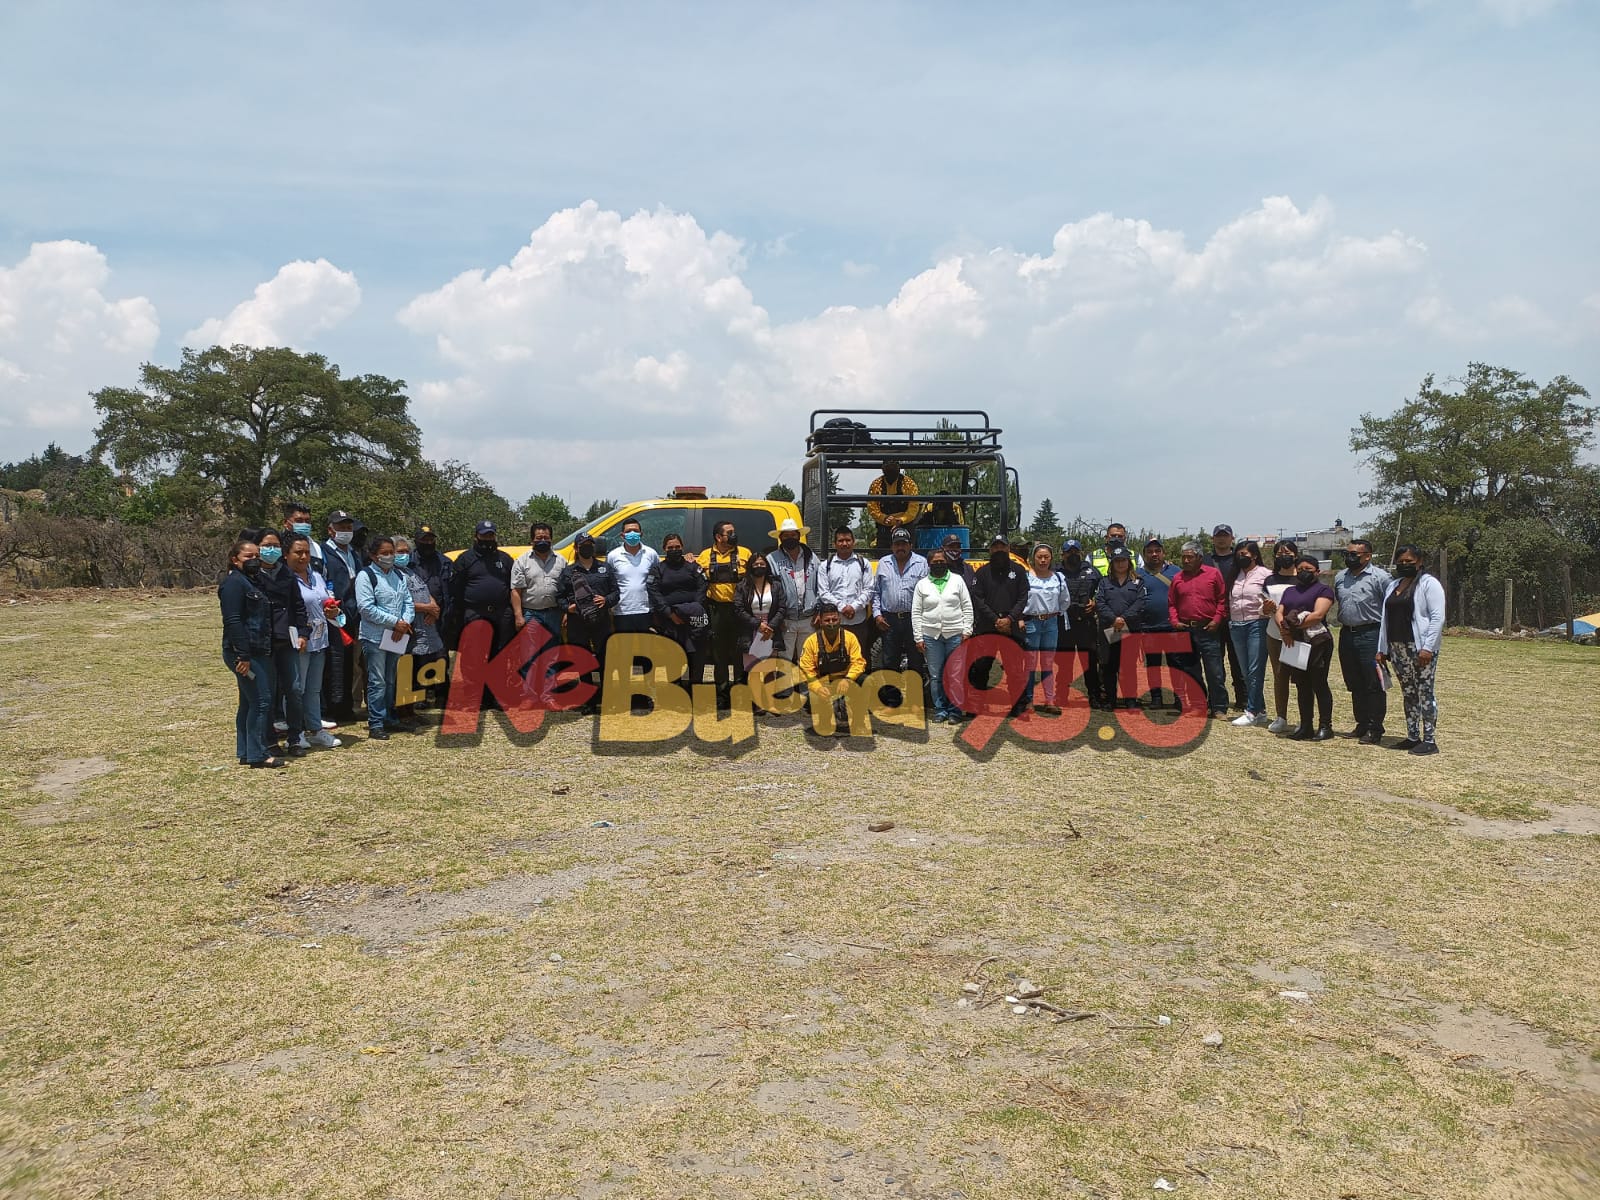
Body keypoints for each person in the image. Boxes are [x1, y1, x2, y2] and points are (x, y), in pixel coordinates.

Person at [218, 539, 282, 768]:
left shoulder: (252, 581)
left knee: (248, 702)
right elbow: (234, 620)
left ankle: (246, 751)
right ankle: (258, 753)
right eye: (248, 557)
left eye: (257, 555)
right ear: (235, 560)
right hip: (245, 653)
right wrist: (242, 655)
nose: (254, 560)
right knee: (261, 701)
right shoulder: (233, 584)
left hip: (258, 649)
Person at [1376, 545, 1446, 755]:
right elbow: (1384, 620)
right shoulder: (1393, 585)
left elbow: (1437, 617)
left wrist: (1428, 647)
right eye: (1401, 561)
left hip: (1419, 648)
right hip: (1397, 647)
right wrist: (1382, 648)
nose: (1405, 565)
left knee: (1425, 691)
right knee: (1408, 693)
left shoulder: (1428, 584)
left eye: (1410, 561)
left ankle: (1430, 739)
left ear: (1419, 562)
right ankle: (1412, 736)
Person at [252, 529, 309, 758]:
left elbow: (298, 606)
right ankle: (270, 740)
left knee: (294, 690)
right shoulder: (252, 575)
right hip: (264, 643)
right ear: (257, 548)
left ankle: (295, 738)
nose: (272, 550)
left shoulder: (286, 574)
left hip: (288, 641)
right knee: (267, 694)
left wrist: (303, 632)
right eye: (267, 545)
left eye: (276, 545)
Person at [447, 520, 516, 711]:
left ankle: (495, 696)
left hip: (502, 614)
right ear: (476, 536)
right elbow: (455, 588)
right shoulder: (465, 559)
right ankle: (472, 698)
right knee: (472, 657)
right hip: (474, 613)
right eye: (484, 535)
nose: (488, 539)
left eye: (491, 535)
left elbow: (514, 587)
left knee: (499, 656)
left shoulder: (505, 559)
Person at [356, 535, 417, 740]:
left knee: (391, 679)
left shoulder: (398, 576)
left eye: (392, 552)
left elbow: (408, 601)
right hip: (374, 637)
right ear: (373, 555)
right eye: (385, 553)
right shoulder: (366, 576)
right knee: (377, 680)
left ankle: (390, 717)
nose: (390, 556)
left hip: (396, 635)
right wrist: (395, 621)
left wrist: (404, 623)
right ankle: (376, 722)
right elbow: (366, 608)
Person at [284, 532, 341, 750]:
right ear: (286, 554)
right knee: (296, 689)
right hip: (299, 641)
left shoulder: (316, 575)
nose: (303, 557)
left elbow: (324, 598)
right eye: (298, 552)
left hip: (320, 639)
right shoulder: (285, 578)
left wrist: (332, 608)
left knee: (314, 689)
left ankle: (316, 729)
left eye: (306, 552)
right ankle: (296, 732)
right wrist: (300, 634)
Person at [1333, 537, 1392, 744]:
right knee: (1354, 682)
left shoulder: (1381, 578)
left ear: (1367, 556)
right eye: (1346, 554)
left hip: (1371, 633)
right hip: (1347, 634)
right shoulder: (1341, 577)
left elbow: (1390, 608)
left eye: (1354, 554)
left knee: (1373, 683)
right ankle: (1362, 724)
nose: (1348, 558)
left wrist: (1387, 642)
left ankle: (1375, 729)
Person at [1276, 554, 1336, 741]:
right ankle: (1306, 726)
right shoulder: (1290, 591)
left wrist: (1291, 627)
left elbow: (1318, 615)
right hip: (1295, 642)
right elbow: (1280, 612)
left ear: (1317, 572)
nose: (1303, 572)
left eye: (1308, 569)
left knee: (1319, 683)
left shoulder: (1323, 590)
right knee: (1302, 684)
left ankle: (1325, 726)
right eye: (1300, 569)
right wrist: (1284, 630)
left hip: (1317, 642)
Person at [970, 534, 1030, 716]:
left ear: (1008, 549)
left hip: (1011, 628)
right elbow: (978, 599)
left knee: (1014, 670)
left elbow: (1023, 597)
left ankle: (1018, 707)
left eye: (1002, 547)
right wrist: (995, 620)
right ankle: (975, 706)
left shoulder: (1019, 571)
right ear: (990, 550)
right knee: (980, 668)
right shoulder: (981, 572)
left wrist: (1009, 619)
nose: (999, 550)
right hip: (987, 627)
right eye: (995, 547)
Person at [912, 549, 974, 723]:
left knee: (954, 675)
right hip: (931, 636)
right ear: (929, 564)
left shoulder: (957, 580)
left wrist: (967, 630)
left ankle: (955, 711)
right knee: (936, 675)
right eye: (934, 562)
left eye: (941, 561)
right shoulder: (922, 585)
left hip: (955, 634)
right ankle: (940, 710)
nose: (938, 564)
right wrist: (918, 637)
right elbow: (916, 612)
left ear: (946, 562)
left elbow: (967, 607)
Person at [1168, 542, 1229, 717]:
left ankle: (1219, 707)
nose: (1186, 560)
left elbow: (1222, 600)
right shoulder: (1178, 578)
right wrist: (1175, 621)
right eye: (1184, 557)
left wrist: (1217, 620)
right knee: (1191, 670)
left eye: (1190, 557)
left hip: (1209, 628)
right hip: (1185, 628)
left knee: (1214, 671)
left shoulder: (1213, 574)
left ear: (1199, 558)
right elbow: (1172, 603)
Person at [697, 520, 752, 711]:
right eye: (730, 532)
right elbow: (696, 578)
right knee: (718, 654)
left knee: (739, 652)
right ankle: (721, 694)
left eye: (734, 531)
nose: (734, 535)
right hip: (716, 610)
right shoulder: (704, 556)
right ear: (718, 537)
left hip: (739, 610)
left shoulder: (745, 553)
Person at [561, 534, 617, 714]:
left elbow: (616, 592)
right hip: (577, 621)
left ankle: (607, 698)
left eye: (589, 545)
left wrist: (607, 600)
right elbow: (559, 596)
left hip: (601, 621)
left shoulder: (605, 568)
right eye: (583, 545)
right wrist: (566, 608)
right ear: (576, 548)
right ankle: (588, 702)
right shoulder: (568, 571)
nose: (587, 548)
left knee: (604, 659)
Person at [391, 534, 443, 722]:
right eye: (400, 552)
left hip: (424, 630)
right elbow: (397, 602)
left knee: (416, 670)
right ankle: (402, 712)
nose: (404, 555)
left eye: (407, 551)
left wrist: (433, 607)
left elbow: (424, 591)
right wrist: (426, 608)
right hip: (404, 630)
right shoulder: (391, 574)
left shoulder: (410, 571)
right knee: (403, 672)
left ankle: (412, 710)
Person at [797, 600, 868, 735]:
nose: (831, 623)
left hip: (845, 680)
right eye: (827, 620)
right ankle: (825, 721)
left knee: (866, 681)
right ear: (820, 621)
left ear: (839, 619)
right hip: (823, 682)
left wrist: (848, 679)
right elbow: (806, 669)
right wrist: (818, 687)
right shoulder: (811, 641)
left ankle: (858, 723)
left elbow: (859, 663)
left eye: (834, 619)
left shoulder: (850, 638)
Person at [649, 532, 709, 690]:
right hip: (669, 621)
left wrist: (692, 609)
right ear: (664, 549)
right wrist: (670, 613)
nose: (674, 550)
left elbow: (702, 587)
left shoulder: (692, 567)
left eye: (677, 547)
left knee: (696, 657)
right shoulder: (657, 569)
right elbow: (654, 593)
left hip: (694, 620)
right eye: (670, 548)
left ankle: (696, 692)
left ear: (682, 547)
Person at [320, 510, 363, 723]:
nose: (346, 531)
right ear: (330, 529)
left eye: (348, 527)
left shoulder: (354, 553)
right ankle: (331, 709)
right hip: (334, 613)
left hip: (354, 615)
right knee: (333, 663)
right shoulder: (323, 552)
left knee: (349, 663)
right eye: (341, 527)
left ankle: (347, 707)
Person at [1226, 540, 1273, 727]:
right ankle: (1260, 710)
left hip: (1257, 623)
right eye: (1238, 554)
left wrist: (1264, 610)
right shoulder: (1233, 575)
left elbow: (1272, 599)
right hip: (1236, 624)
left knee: (1255, 669)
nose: (1241, 557)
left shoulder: (1265, 574)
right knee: (1245, 671)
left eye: (1245, 554)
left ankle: (1251, 710)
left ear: (1254, 555)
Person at [1094, 546, 1148, 709]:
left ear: (1128, 562)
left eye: (1123, 560)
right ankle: (1110, 699)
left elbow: (1140, 603)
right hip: (1110, 629)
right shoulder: (1104, 582)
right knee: (1109, 665)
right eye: (1116, 561)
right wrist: (1113, 619)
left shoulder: (1138, 581)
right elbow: (1100, 603)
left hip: (1130, 628)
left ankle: (1130, 699)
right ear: (1112, 563)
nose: (1120, 564)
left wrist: (1123, 618)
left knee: (1128, 666)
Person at [1203, 524, 1248, 711]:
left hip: (1235, 615)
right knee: (1214, 661)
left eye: (1225, 535)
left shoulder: (1239, 559)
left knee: (1238, 659)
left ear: (1232, 538)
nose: (1222, 539)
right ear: (1213, 539)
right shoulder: (1205, 560)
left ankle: (1243, 698)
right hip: (1211, 616)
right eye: (1218, 536)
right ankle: (1216, 698)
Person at [873, 526, 928, 675]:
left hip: (914, 619)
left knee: (916, 661)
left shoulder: (922, 563)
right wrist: (877, 615)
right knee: (889, 662)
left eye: (904, 544)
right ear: (892, 546)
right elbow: (876, 592)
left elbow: (927, 593)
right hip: (889, 620)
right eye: (897, 544)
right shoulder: (883, 563)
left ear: (910, 545)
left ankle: (914, 697)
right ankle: (892, 698)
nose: (900, 547)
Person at [407, 525, 452, 705]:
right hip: (417, 616)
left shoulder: (445, 561)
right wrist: (427, 609)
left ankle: (441, 694)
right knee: (418, 656)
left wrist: (439, 613)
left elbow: (450, 592)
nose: (428, 542)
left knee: (440, 656)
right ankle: (420, 695)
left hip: (440, 616)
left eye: (431, 539)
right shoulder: (409, 562)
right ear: (417, 540)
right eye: (424, 539)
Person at [1057, 538, 1104, 706]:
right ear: (1062, 554)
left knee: (1090, 661)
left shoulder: (1092, 571)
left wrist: (1096, 602)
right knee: (1064, 662)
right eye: (1069, 552)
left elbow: (1104, 590)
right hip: (1064, 623)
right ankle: (1061, 695)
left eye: (1076, 551)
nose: (1072, 555)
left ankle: (1094, 696)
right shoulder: (1056, 571)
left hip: (1086, 623)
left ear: (1081, 553)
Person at [1022, 543, 1067, 715]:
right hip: (1031, 622)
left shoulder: (1059, 578)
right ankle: (1029, 701)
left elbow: (1065, 600)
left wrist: (1055, 613)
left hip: (1051, 623)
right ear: (1033, 558)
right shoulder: (1027, 577)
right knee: (1031, 664)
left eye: (1046, 557)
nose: (1042, 560)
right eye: (1039, 557)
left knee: (1048, 663)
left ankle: (1050, 700)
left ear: (1051, 558)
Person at [766, 517, 819, 663]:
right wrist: (777, 618)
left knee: (807, 658)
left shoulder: (812, 557)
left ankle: (805, 687)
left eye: (793, 535)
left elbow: (820, 585)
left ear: (799, 535)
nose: (790, 538)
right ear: (781, 537)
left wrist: (819, 611)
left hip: (809, 618)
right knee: (785, 660)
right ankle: (786, 687)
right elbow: (770, 591)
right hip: (785, 620)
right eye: (786, 535)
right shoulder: (771, 559)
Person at [818, 525, 875, 661]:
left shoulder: (863, 563)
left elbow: (869, 589)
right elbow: (823, 592)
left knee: (859, 658)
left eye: (848, 540)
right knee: (834, 659)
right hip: (834, 623)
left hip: (858, 622)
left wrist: (853, 607)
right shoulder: (825, 565)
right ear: (835, 544)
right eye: (841, 541)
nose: (844, 544)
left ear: (853, 542)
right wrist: (842, 607)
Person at [1261, 539, 1301, 733]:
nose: (1284, 556)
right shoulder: (1270, 580)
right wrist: (1265, 609)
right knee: (1279, 675)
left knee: (1302, 677)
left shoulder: (1303, 577)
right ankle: (1281, 716)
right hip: (1275, 634)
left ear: (1296, 555)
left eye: (1288, 552)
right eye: (1280, 553)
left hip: (1300, 633)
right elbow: (1263, 610)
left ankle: (1305, 717)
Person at [1137, 538, 1180, 709]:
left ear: (1163, 553)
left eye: (1157, 550)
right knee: (1153, 665)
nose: (1154, 554)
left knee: (1176, 664)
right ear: (1145, 554)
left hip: (1173, 627)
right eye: (1150, 551)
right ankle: (1156, 697)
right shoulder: (1138, 574)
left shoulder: (1176, 571)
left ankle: (1179, 697)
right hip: (1149, 628)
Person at [511, 522, 569, 646]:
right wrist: (518, 616)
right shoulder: (522, 561)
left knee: (551, 656)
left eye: (546, 538)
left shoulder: (561, 561)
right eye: (538, 538)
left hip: (554, 614)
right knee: (530, 656)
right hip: (531, 614)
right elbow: (516, 590)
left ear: (551, 539)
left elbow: (568, 590)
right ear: (532, 540)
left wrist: (566, 613)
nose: (543, 540)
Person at [734, 546, 788, 677]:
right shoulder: (743, 586)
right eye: (756, 564)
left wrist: (771, 626)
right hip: (750, 629)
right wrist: (758, 625)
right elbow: (738, 609)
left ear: (767, 566)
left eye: (762, 564)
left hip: (770, 630)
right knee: (753, 671)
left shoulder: (776, 585)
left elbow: (782, 607)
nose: (759, 566)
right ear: (750, 566)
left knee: (769, 671)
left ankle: (769, 698)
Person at [866, 459, 922, 550]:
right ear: (883, 469)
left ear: (899, 469)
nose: (890, 471)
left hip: (905, 525)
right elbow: (872, 507)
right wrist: (883, 518)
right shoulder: (876, 485)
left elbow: (914, 507)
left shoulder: (909, 483)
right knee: (882, 554)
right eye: (888, 468)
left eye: (893, 468)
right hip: (884, 526)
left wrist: (901, 520)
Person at [283, 501, 323, 570]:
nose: (304, 524)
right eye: (299, 521)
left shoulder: (315, 547)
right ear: (286, 523)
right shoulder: (278, 546)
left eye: (307, 521)